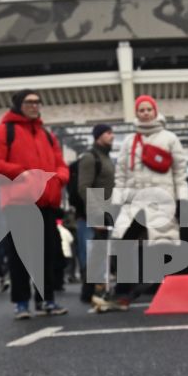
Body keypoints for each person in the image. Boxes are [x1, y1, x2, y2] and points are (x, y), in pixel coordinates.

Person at [0, 90, 71, 320]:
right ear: (17, 105)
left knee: (48, 255)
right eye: (29, 102)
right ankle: (21, 303)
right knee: (20, 256)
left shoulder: (46, 134)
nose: (34, 106)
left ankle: (46, 301)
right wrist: (22, 173)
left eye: (37, 102)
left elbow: (61, 164)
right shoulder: (4, 131)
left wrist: (59, 178)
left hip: (47, 202)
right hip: (20, 203)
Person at [103, 94, 188, 312]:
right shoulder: (129, 142)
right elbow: (121, 174)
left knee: (164, 247)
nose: (145, 113)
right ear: (137, 113)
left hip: (162, 201)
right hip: (134, 204)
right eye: (141, 110)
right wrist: (118, 201)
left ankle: (172, 294)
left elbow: (180, 172)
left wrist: (182, 200)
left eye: (148, 109)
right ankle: (122, 295)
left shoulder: (169, 138)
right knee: (123, 244)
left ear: (155, 111)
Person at [73, 123, 117, 308]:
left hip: (107, 211)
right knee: (95, 254)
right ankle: (90, 292)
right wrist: (96, 214)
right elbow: (83, 187)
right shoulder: (90, 158)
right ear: (98, 136)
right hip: (96, 211)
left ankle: (95, 291)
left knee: (100, 254)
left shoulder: (106, 157)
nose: (112, 136)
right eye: (108, 133)